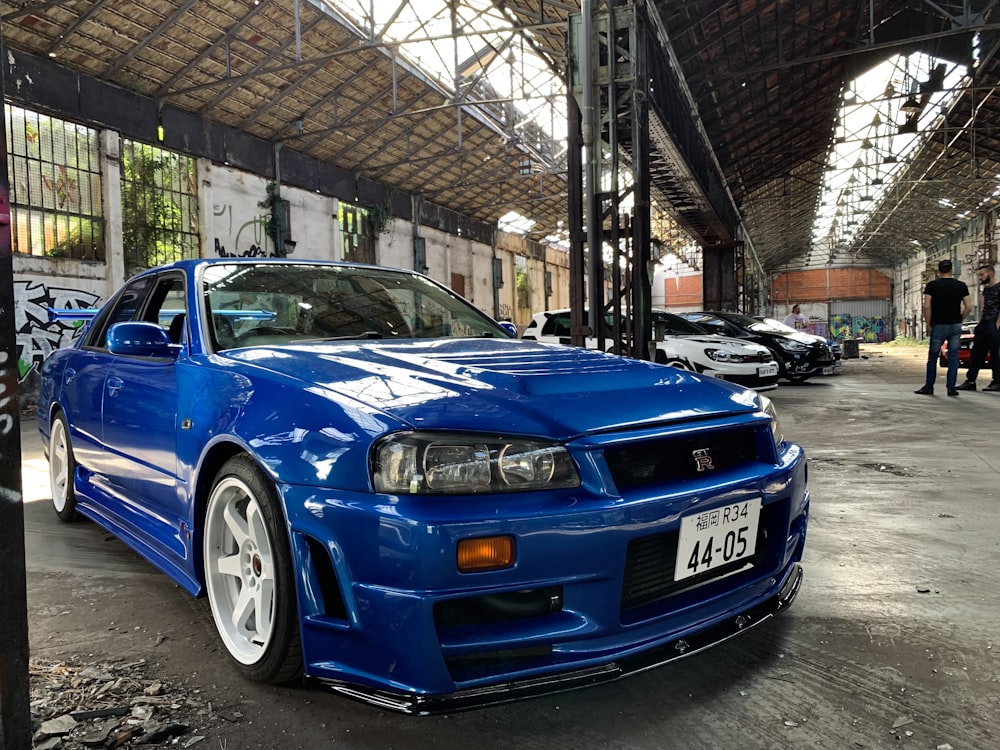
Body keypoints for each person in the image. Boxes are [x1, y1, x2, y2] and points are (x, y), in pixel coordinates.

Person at [915, 259, 971, 396]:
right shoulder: (961, 285)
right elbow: (969, 306)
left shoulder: (932, 286)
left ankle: (929, 387)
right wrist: (960, 319)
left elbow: (926, 306)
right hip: (955, 325)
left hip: (938, 325)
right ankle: (951, 388)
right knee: (953, 358)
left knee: (933, 357)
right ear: (951, 270)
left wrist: (928, 323)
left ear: (938, 271)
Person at [955, 263, 1000, 391]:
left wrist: (997, 324)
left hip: (994, 323)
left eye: (982, 274)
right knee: (976, 352)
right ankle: (970, 381)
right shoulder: (986, 289)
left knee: (995, 353)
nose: (980, 277)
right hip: (984, 323)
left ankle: (998, 381)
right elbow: (984, 306)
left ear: (990, 273)